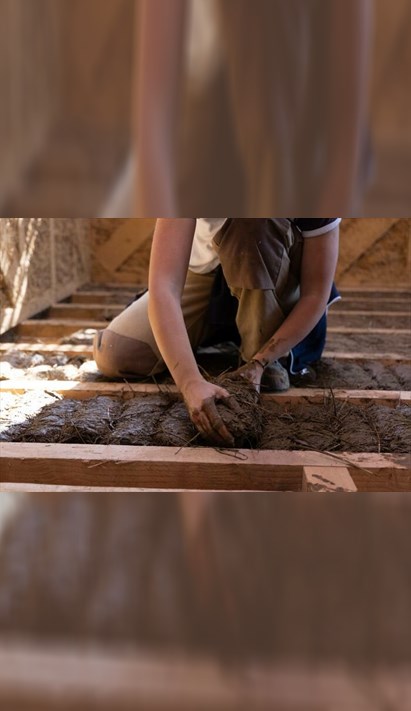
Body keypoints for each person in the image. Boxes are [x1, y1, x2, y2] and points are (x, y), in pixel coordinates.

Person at [94, 217, 340, 445]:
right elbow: (165, 286)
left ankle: (258, 349)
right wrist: (189, 381)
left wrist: (260, 363)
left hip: (270, 270)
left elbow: (315, 293)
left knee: (251, 222)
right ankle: (224, 329)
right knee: (118, 353)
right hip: (205, 271)